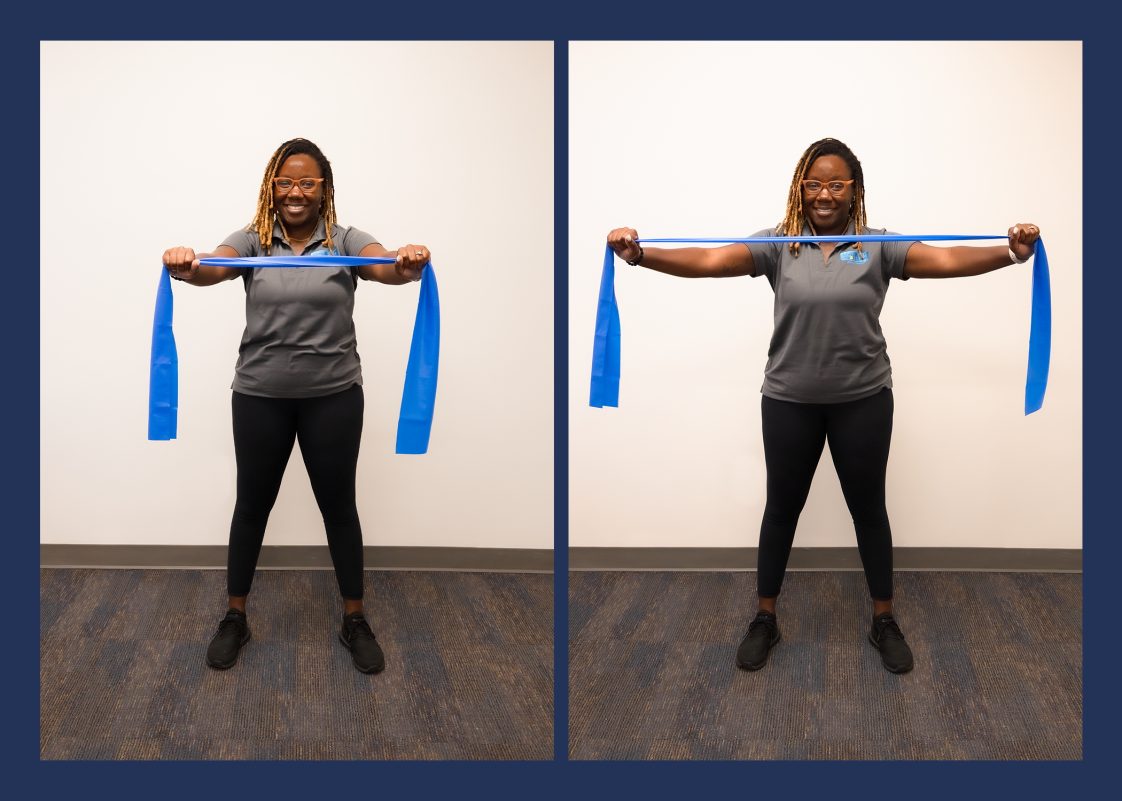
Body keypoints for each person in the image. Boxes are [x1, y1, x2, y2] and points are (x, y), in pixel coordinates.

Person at [606, 137, 1041, 675]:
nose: (824, 194)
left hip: (863, 401)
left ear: (854, 190)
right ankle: (765, 618)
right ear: (800, 188)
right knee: (781, 510)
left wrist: (1010, 251)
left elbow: (946, 257)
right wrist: (641, 254)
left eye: (836, 184)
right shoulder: (780, 245)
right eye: (814, 184)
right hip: (789, 402)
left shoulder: (879, 246)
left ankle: (883, 619)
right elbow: (712, 259)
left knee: (869, 512)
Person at [162, 138, 432, 674]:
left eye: (308, 183)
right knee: (251, 507)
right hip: (260, 396)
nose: (295, 192)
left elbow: (384, 267)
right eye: (286, 181)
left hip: (333, 397)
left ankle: (354, 618)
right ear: (271, 187)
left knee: (339, 508)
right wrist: (184, 264)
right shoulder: (253, 239)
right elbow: (213, 267)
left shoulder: (346, 240)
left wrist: (408, 260)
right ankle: (235, 616)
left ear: (324, 190)